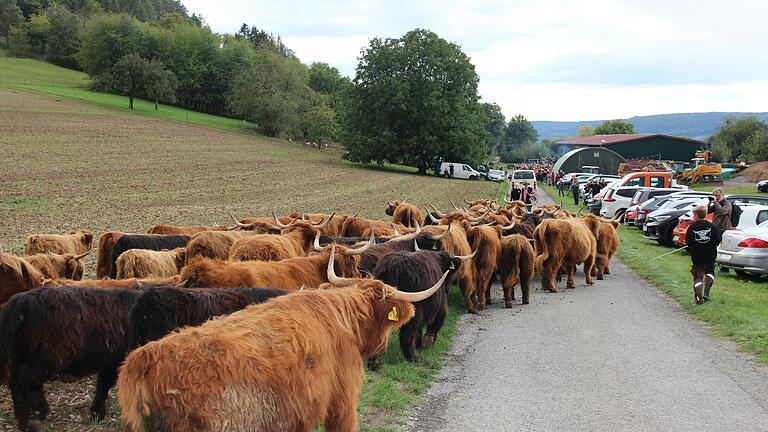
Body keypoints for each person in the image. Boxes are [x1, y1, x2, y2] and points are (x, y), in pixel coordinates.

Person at [685, 205, 721, 304]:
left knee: (698, 276)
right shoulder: (712, 226)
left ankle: (698, 297)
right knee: (710, 273)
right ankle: (706, 292)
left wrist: (694, 246)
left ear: (696, 215)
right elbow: (717, 240)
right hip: (710, 255)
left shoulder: (692, 227)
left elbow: (688, 242)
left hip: (697, 256)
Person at [708, 187, 732, 273]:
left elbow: (722, 211)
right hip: (716, 228)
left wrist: (715, 202)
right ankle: (712, 264)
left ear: (722, 195)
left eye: (718, 195)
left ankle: (725, 269)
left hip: (725, 229)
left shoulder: (727, 203)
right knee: (713, 246)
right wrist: (710, 202)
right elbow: (708, 211)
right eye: (715, 195)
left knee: (724, 248)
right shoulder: (716, 203)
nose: (716, 197)